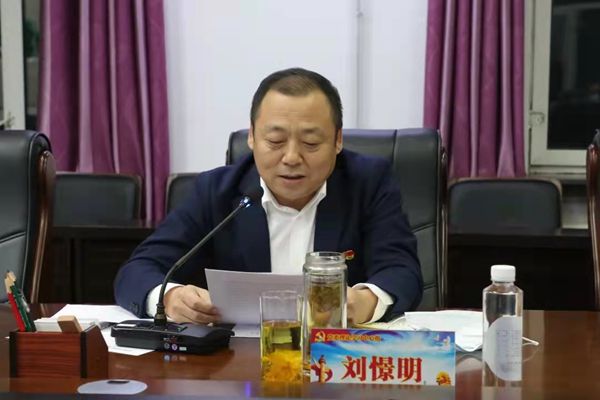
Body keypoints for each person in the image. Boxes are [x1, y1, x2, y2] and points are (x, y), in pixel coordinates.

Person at [114, 67, 422, 324]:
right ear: (252, 137)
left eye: (311, 143)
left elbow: (401, 270)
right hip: (237, 364)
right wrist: (170, 297)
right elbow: (137, 271)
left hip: (336, 358)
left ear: (338, 140)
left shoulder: (368, 183)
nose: (291, 157)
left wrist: (366, 301)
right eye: (275, 141)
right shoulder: (216, 191)